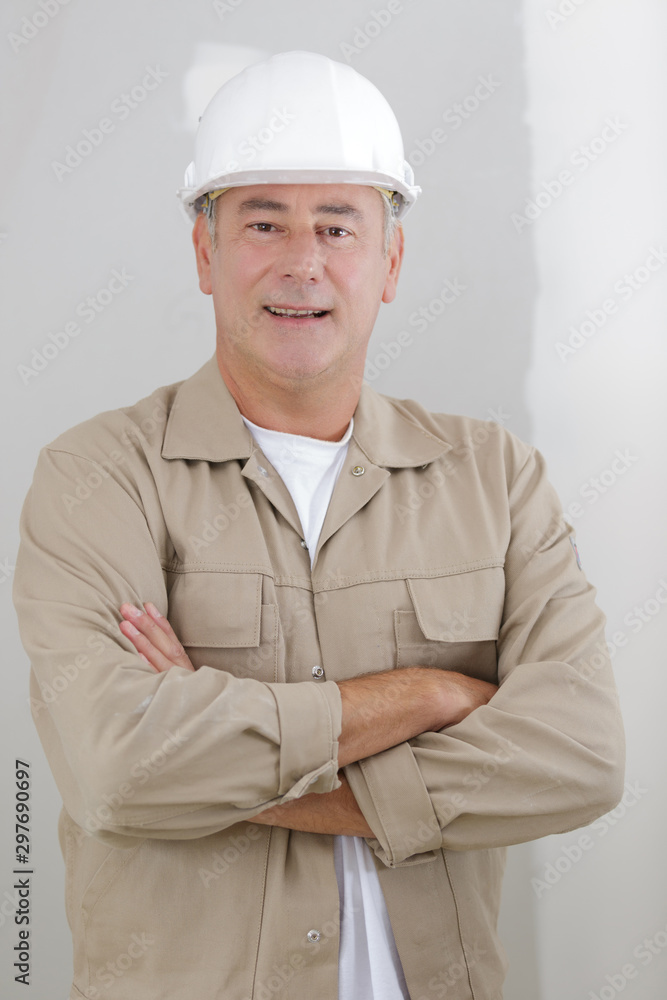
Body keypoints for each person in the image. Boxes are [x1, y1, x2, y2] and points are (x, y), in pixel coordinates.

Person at [13, 50, 625, 1000]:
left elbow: (580, 756)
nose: (302, 261)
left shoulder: (494, 477)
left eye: (338, 225)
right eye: (263, 222)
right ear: (205, 252)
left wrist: (223, 763)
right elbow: (118, 770)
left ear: (390, 260)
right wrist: (424, 695)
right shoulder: (100, 477)